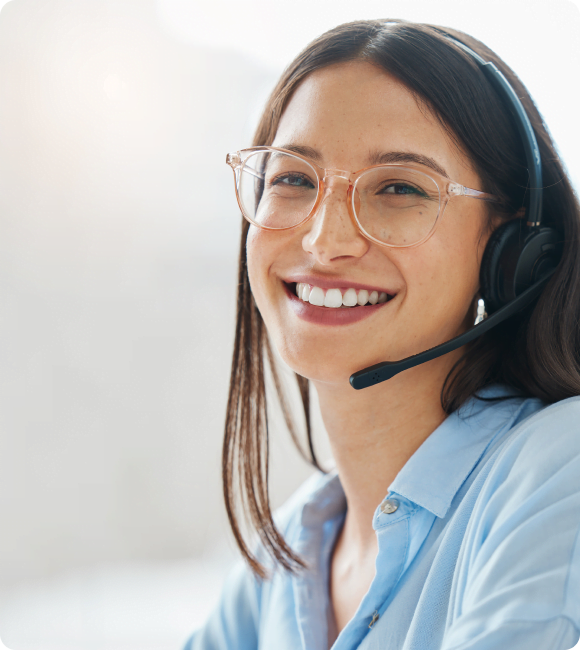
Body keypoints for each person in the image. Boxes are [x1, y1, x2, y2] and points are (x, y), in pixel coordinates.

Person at [185, 19, 580, 650]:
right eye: (292, 179)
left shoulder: (562, 472)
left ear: (513, 248)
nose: (324, 241)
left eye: (399, 188)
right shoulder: (285, 557)